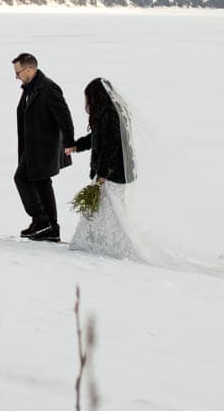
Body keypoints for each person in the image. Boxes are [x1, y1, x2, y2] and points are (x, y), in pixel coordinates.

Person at [64, 78, 151, 259]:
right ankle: (96, 241)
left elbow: (109, 145)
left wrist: (101, 174)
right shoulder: (108, 112)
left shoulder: (111, 114)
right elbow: (97, 138)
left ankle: (124, 247)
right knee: (105, 209)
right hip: (112, 171)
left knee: (113, 212)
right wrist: (77, 146)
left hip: (113, 172)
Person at [12, 53, 74, 242]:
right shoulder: (29, 88)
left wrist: (70, 142)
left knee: (22, 179)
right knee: (41, 183)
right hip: (31, 146)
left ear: (29, 69)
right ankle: (50, 228)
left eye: (18, 72)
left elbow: (64, 117)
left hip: (44, 146)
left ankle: (41, 220)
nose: (17, 77)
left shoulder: (48, 88)